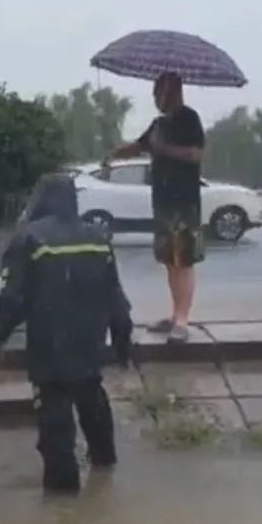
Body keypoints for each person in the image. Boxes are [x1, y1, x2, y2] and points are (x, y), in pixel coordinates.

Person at [0, 173, 133, 493]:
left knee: (56, 426)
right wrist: (123, 344)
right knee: (92, 400)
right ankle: (104, 468)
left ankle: (63, 504)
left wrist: (0, 332)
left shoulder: (29, 238)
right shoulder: (97, 238)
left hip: (49, 347)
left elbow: (12, 297)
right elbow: (116, 298)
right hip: (90, 344)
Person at [104, 72, 205, 343]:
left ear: (171, 92)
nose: (155, 99)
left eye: (158, 93)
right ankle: (174, 315)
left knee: (184, 259)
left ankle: (183, 320)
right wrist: (115, 152)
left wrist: (165, 150)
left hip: (184, 202)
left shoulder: (188, 119)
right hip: (162, 201)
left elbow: (195, 154)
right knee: (170, 260)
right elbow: (139, 146)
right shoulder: (158, 124)